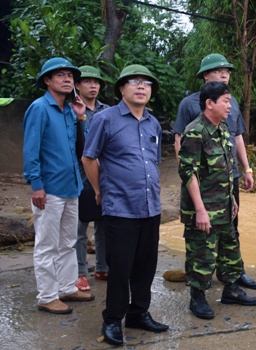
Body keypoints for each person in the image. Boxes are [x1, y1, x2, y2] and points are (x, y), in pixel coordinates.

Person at [82, 64, 168, 345]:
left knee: (146, 265)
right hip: (120, 207)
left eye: (147, 83)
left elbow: (153, 162)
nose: (141, 87)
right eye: (134, 82)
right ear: (121, 88)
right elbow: (89, 158)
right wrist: (98, 190)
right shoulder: (106, 119)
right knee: (120, 267)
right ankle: (112, 320)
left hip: (150, 206)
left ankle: (138, 313)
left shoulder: (154, 123)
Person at [173, 53, 256, 290]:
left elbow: (238, 136)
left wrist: (247, 169)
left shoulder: (230, 103)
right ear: (205, 76)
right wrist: (190, 173)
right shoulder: (190, 104)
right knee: (202, 232)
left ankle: (232, 273)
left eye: (228, 71)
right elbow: (180, 141)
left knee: (230, 228)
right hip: (204, 178)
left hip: (228, 177)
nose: (224, 74)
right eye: (218, 70)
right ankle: (201, 279)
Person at [23, 57, 95, 315]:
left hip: (71, 186)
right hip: (49, 189)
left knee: (67, 243)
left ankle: (66, 286)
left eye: (70, 76)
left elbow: (82, 149)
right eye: (60, 75)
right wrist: (36, 185)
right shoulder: (40, 108)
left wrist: (80, 118)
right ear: (47, 80)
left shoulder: (70, 110)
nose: (67, 79)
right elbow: (31, 150)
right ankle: (47, 296)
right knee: (47, 245)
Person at [73, 65, 109, 291]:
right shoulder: (71, 111)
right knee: (79, 227)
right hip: (78, 175)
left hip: (104, 173)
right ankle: (79, 272)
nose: (93, 85)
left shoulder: (107, 110)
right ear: (77, 85)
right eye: (87, 82)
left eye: (96, 82)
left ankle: (103, 267)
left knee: (103, 224)